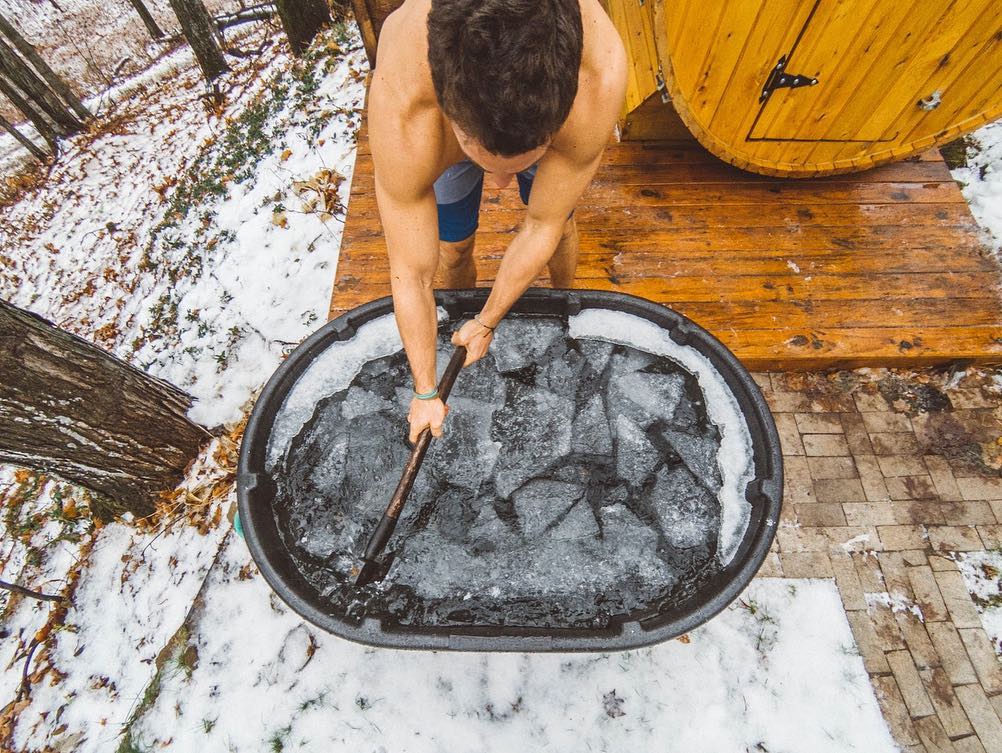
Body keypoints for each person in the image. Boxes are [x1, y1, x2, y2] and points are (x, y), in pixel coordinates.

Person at [368, 0, 627, 444]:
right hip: (443, 126)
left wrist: (490, 320)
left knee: (559, 225)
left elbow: (541, 224)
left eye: (521, 165)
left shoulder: (599, 74)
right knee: (451, 249)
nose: (501, 185)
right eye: (489, 165)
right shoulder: (406, 103)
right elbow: (411, 272)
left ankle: (567, 306)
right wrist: (426, 389)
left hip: (527, 123)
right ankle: (456, 314)